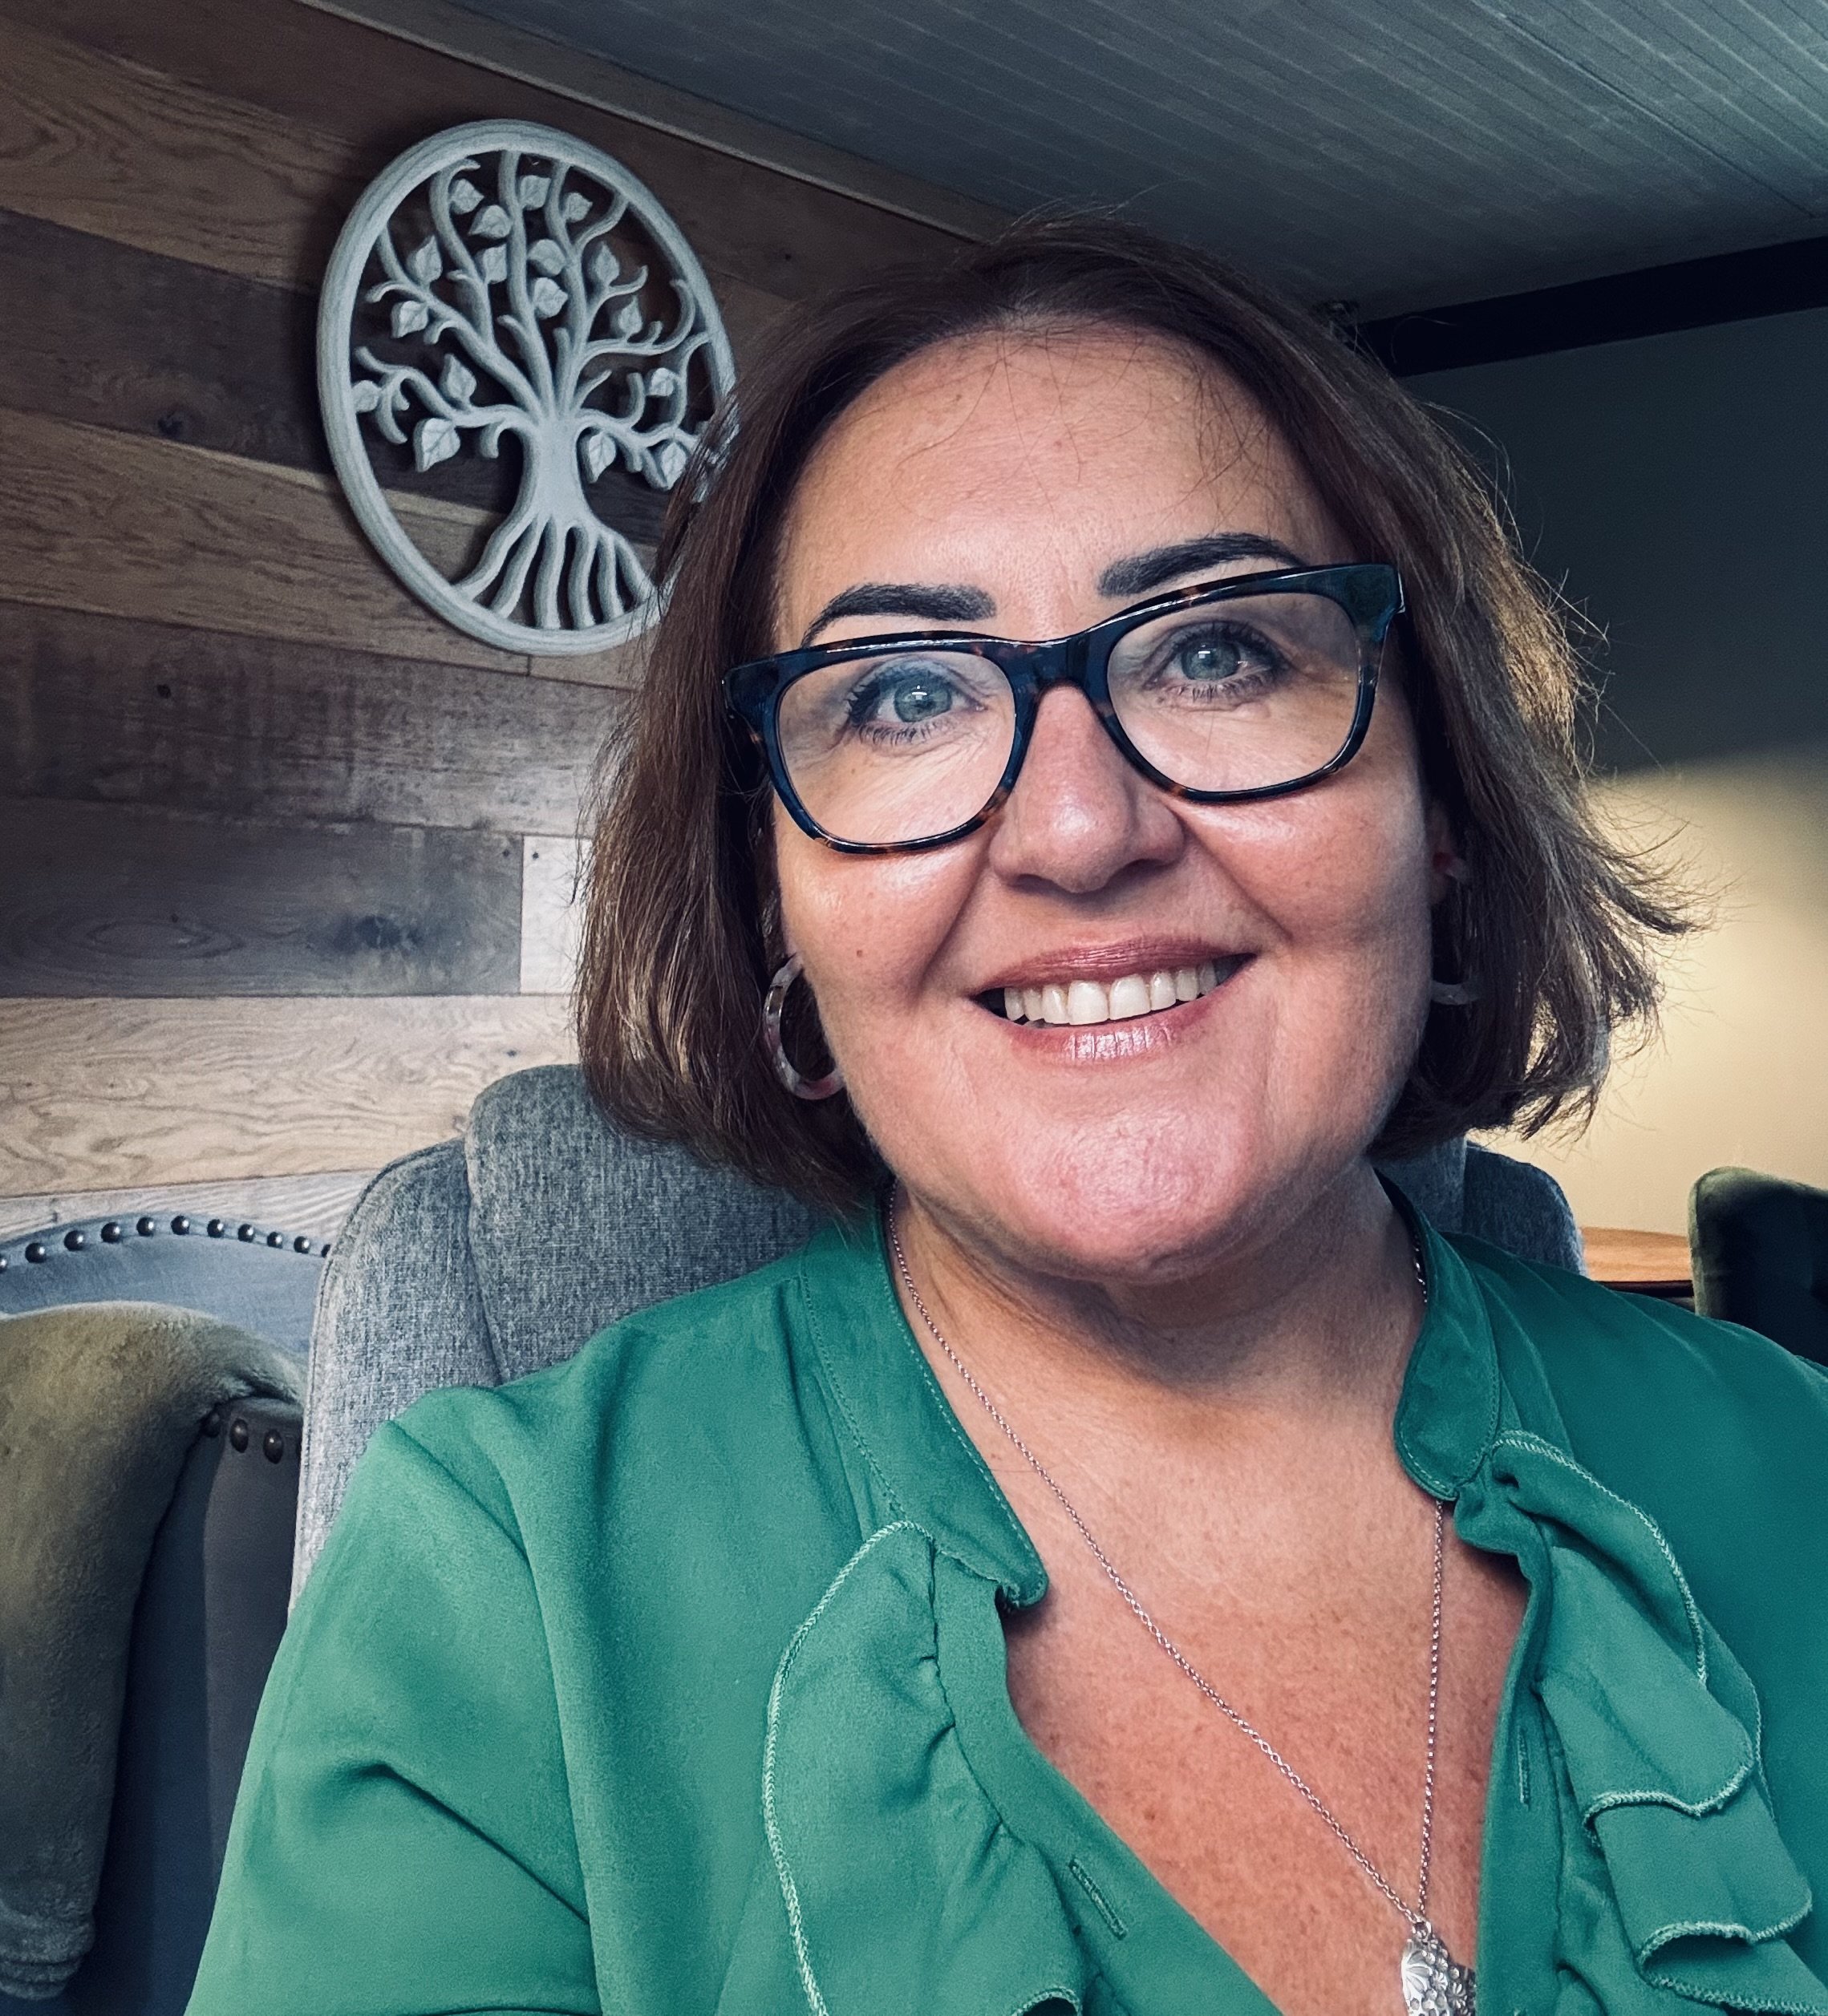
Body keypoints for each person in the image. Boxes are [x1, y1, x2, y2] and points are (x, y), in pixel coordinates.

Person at [189, 219, 1828, 2016]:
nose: (1075, 829)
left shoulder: (1795, 1468)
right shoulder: (496, 1582)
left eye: (1214, 653)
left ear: (1436, 798)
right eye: (904, 695)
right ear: (775, 899)